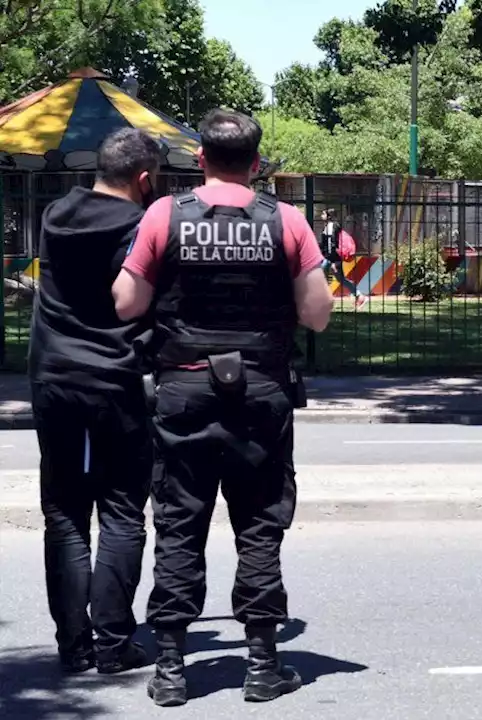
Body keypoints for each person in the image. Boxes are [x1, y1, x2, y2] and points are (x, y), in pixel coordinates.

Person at [112, 109, 334, 707]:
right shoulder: (286, 221)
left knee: (180, 524)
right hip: (261, 394)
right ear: (257, 165)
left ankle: (170, 670)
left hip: (183, 392)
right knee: (260, 525)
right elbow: (317, 314)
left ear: (201, 159)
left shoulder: (164, 214)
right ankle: (262, 666)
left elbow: (128, 302)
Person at [27, 128, 164, 675]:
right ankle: (113, 642)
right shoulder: (140, 227)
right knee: (123, 511)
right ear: (145, 179)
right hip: (115, 377)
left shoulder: (56, 214)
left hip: (53, 375)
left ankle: (73, 645)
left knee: (63, 511)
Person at [319, 208, 367, 308]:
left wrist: (333, 261)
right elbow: (326, 244)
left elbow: (334, 244)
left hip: (332, 258)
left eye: (323, 213)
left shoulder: (333, 226)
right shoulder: (328, 226)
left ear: (329, 215)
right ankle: (359, 295)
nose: (321, 215)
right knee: (340, 279)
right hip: (329, 257)